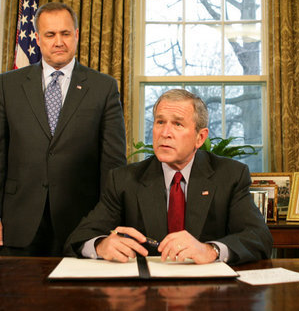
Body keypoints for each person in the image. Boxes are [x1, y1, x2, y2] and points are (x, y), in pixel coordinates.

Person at [0, 2, 126, 256]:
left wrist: (109, 221)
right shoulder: (8, 85)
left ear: (76, 35)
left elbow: (112, 164)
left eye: (65, 34)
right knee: (13, 296)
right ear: (37, 38)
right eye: (50, 34)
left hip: (82, 226)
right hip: (18, 222)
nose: (59, 42)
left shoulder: (104, 88)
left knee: (77, 298)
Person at [64, 89, 272, 265]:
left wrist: (210, 250)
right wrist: (101, 245)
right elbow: (78, 238)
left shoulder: (230, 175)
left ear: (200, 137)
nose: (165, 132)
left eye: (177, 124)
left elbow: (259, 238)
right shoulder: (125, 180)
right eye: (160, 122)